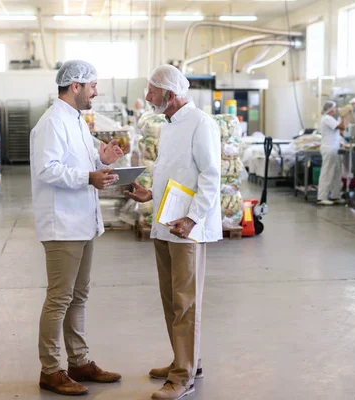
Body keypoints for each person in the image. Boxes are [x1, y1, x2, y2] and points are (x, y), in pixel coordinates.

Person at [125, 65, 222, 400]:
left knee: (185, 302)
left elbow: (211, 176)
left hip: (187, 229)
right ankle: (186, 361)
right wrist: (150, 194)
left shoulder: (200, 123)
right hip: (167, 222)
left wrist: (194, 219)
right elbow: (178, 173)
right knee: (171, 299)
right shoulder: (168, 126)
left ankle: (182, 377)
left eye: (152, 90)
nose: (148, 96)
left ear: (169, 93)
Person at [30, 60, 124, 397]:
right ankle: (50, 369)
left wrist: (103, 160)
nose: (96, 92)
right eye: (93, 86)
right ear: (76, 86)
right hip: (62, 224)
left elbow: (82, 162)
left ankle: (79, 361)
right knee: (59, 298)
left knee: (78, 296)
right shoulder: (52, 122)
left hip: (83, 221)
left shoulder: (76, 121)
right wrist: (88, 176)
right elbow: (48, 170)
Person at [317, 100, 346, 206]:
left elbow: (341, 131)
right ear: (330, 109)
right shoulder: (327, 118)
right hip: (329, 149)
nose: (336, 110)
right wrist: (343, 116)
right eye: (334, 108)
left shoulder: (331, 119)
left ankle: (335, 195)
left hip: (334, 149)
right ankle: (322, 197)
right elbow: (342, 127)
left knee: (337, 173)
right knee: (328, 172)